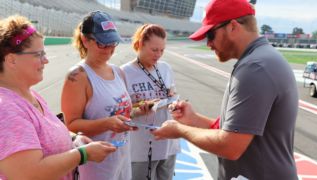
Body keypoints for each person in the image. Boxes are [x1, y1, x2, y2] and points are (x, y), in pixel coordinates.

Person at [152, 0, 299, 179]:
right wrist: (193, 119)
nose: (208, 44)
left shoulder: (255, 68)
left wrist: (179, 130)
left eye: (211, 35)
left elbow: (230, 146)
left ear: (232, 26)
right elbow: (238, 129)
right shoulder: (262, 59)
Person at [0, 15, 116, 180]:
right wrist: (82, 154)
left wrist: (74, 139)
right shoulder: (6, 110)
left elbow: (43, 136)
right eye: (38, 54)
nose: (46, 60)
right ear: (11, 60)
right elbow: (28, 174)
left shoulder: (31, 95)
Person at [61, 11, 134, 180]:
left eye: (113, 43)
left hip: (122, 156)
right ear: (85, 40)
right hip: (96, 165)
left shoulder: (118, 72)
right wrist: (107, 124)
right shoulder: (78, 76)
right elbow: (70, 125)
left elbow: (119, 110)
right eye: (102, 44)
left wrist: (138, 112)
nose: (109, 49)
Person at [121, 24, 180, 180]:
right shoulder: (125, 73)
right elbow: (119, 112)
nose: (159, 54)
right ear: (140, 44)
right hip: (140, 149)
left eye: (162, 50)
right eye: (154, 50)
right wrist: (139, 109)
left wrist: (175, 104)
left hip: (168, 145)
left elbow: (172, 97)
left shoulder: (165, 68)